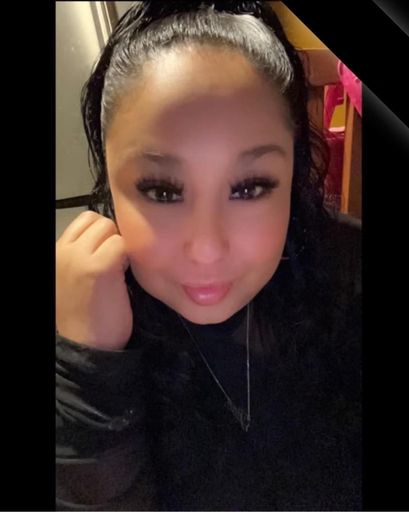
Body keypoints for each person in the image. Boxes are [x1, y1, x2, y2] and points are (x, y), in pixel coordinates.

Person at [56, 1, 362, 510]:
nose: (206, 248)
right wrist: (86, 369)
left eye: (250, 187)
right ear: (109, 180)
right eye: (161, 191)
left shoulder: (347, 272)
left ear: (293, 172)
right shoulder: (81, 319)